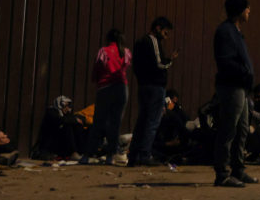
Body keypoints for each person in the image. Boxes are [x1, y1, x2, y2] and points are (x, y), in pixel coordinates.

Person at [212, 0, 259, 187]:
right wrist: (245, 73)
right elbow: (225, 61)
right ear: (240, 11)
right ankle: (222, 174)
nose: (250, 11)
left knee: (241, 131)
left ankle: (238, 170)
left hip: (241, 88)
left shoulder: (235, 31)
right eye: (247, 8)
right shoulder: (225, 31)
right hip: (232, 87)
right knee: (228, 130)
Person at [128, 17, 177, 166]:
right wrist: (170, 60)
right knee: (152, 122)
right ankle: (145, 155)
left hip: (143, 85)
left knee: (142, 121)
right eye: (165, 32)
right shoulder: (152, 41)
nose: (166, 36)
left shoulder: (139, 43)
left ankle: (133, 156)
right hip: (155, 86)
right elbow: (159, 63)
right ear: (158, 28)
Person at [82, 28, 132, 165]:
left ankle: (87, 155)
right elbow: (125, 67)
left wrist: (96, 81)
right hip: (122, 88)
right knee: (115, 124)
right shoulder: (126, 52)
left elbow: (97, 69)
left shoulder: (104, 51)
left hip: (105, 88)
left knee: (98, 122)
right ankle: (111, 156)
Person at [33, 95, 89, 160]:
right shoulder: (51, 112)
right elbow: (60, 120)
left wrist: (76, 120)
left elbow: (72, 119)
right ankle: (73, 153)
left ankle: (81, 152)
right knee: (67, 126)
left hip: (59, 144)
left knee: (77, 126)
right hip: (49, 144)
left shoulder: (65, 114)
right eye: (66, 106)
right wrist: (75, 120)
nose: (68, 108)